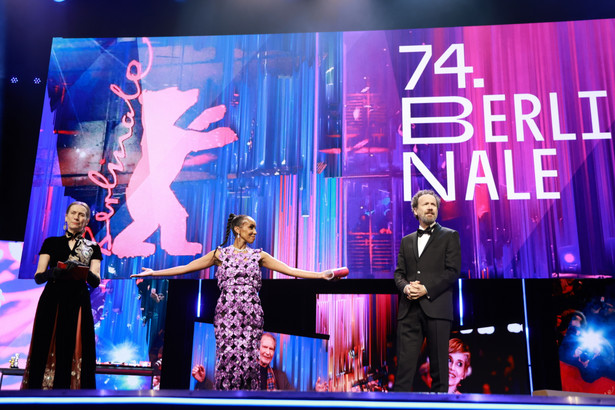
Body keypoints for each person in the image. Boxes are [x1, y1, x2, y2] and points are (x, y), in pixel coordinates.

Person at [132, 213, 340, 390]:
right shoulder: (219, 254)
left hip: (251, 315)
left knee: (249, 362)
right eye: (251, 227)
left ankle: (248, 401)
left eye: (255, 228)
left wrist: (321, 275)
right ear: (238, 230)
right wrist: (155, 273)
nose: (255, 232)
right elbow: (187, 267)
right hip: (226, 315)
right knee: (227, 360)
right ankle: (224, 400)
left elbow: (291, 270)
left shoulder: (259, 256)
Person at [22, 201, 102, 389]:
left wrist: (83, 271)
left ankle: (75, 393)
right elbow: (39, 276)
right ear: (66, 217)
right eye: (73, 213)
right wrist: (54, 272)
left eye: (82, 214)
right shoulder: (51, 242)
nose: (77, 217)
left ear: (87, 220)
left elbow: (96, 280)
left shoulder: (92, 247)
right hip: (53, 298)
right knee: (45, 341)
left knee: (75, 343)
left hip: (78, 301)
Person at [393, 190, 461, 392]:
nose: (431, 207)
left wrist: (426, 289)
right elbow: (399, 274)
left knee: (440, 371)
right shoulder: (407, 240)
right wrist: (406, 287)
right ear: (415, 210)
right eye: (425, 204)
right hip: (409, 310)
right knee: (404, 370)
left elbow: (452, 272)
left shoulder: (450, 236)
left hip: (437, 308)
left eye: (434, 204)